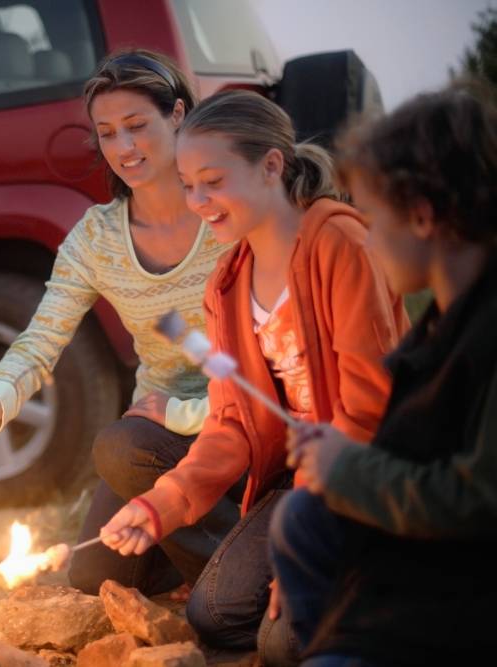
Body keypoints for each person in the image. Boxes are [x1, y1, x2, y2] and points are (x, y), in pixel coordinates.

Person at [99, 89, 408, 664]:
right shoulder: (228, 282)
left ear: (271, 165)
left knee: (284, 644)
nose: (198, 201)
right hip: (295, 481)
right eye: (188, 184)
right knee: (214, 615)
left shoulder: (338, 243)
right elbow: (232, 423)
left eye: (213, 181)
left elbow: (372, 409)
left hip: (364, 473)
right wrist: (160, 505)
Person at [0, 49, 239, 597]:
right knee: (94, 578)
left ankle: (233, 582)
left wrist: (189, 412)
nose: (123, 148)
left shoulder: (228, 214)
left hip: (243, 420)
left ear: (178, 115)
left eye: (137, 126)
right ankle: (220, 557)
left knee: (116, 448)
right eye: (107, 132)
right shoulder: (95, 239)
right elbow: (41, 340)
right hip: (156, 441)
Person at [270, 82, 497, 666]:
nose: (367, 237)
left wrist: (354, 470)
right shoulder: (443, 320)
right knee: (299, 517)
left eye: (372, 216)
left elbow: (478, 500)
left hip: (465, 593)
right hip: (420, 559)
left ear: (422, 215)